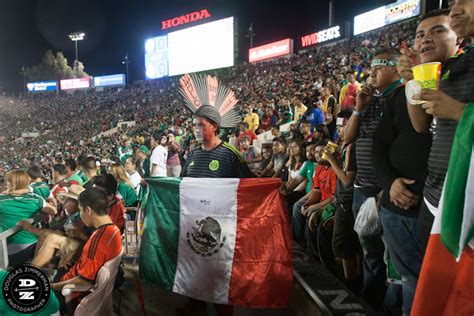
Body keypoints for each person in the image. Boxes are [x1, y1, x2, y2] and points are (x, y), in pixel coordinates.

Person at [398, 8, 470, 251]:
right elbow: (420, 124)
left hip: (464, 206)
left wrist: (459, 111)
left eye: (438, 31)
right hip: (433, 198)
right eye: (419, 35)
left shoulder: (469, 65)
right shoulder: (438, 74)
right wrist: (411, 80)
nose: (425, 39)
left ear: (458, 38)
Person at [373, 49, 432, 314]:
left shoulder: (461, 86)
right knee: (410, 280)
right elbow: (379, 146)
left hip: (439, 210)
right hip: (396, 208)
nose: (425, 41)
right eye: (420, 36)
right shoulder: (398, 97)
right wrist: (389, 183)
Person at [180, 104, 252, 315]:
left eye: (200, 125)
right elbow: (181, 183)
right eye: (194, 125)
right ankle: (195, 302)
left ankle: (223, 310)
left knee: (220, 271)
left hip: (221, 228)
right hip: (193, 225)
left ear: (215, 126)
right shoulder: (193, 155)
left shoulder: (230, 154)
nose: (195, 129)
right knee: (194, 266)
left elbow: (249, 186)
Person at [344, 51, 397, 310]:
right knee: (369, 250)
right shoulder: (367, 103)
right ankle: (371, 299)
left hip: (386, 189)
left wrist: (387, 187)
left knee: (392, 253)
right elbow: (347, 139)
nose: (372, 73)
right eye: (371, 68)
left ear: (396, 70)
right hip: (362, 188)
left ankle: (389, 303)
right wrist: (358, 108)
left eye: (380, 67)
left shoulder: (396, 101)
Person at [51, 188, 122, 309]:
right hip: (73, 274)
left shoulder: (98, 240)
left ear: (88, 210)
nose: (80, 215)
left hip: (68, 289)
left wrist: (52, 287)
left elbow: (83, 281)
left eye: (80, 210)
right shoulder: (113, 230)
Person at [323, 110, 362, 293]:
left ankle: (352, 284)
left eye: (343, 126)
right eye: (338, 127)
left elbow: (347, 180)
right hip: (343, 200)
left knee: (342, 245)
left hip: (347, 202)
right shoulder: (346, 146)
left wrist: (332, 160)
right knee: (350, 245)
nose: (339, 131)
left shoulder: (352, 146)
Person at [0, 170, 56, 267]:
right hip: (32, 245)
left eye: (7, 181)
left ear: (12, 183)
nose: (5, 183)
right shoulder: (36, 198)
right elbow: (53, 211)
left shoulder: (2, 199)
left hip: (7, 251)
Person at [281, 140, 307, 209]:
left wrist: (286, 191)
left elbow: (300, 183)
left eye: (295, 146)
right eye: (291, 147)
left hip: (299, 193)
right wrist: (284, 190)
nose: (292, 149)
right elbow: (289, 181)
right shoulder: (291, 165)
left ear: (301, 149)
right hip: (291, 191)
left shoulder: (305, 164)